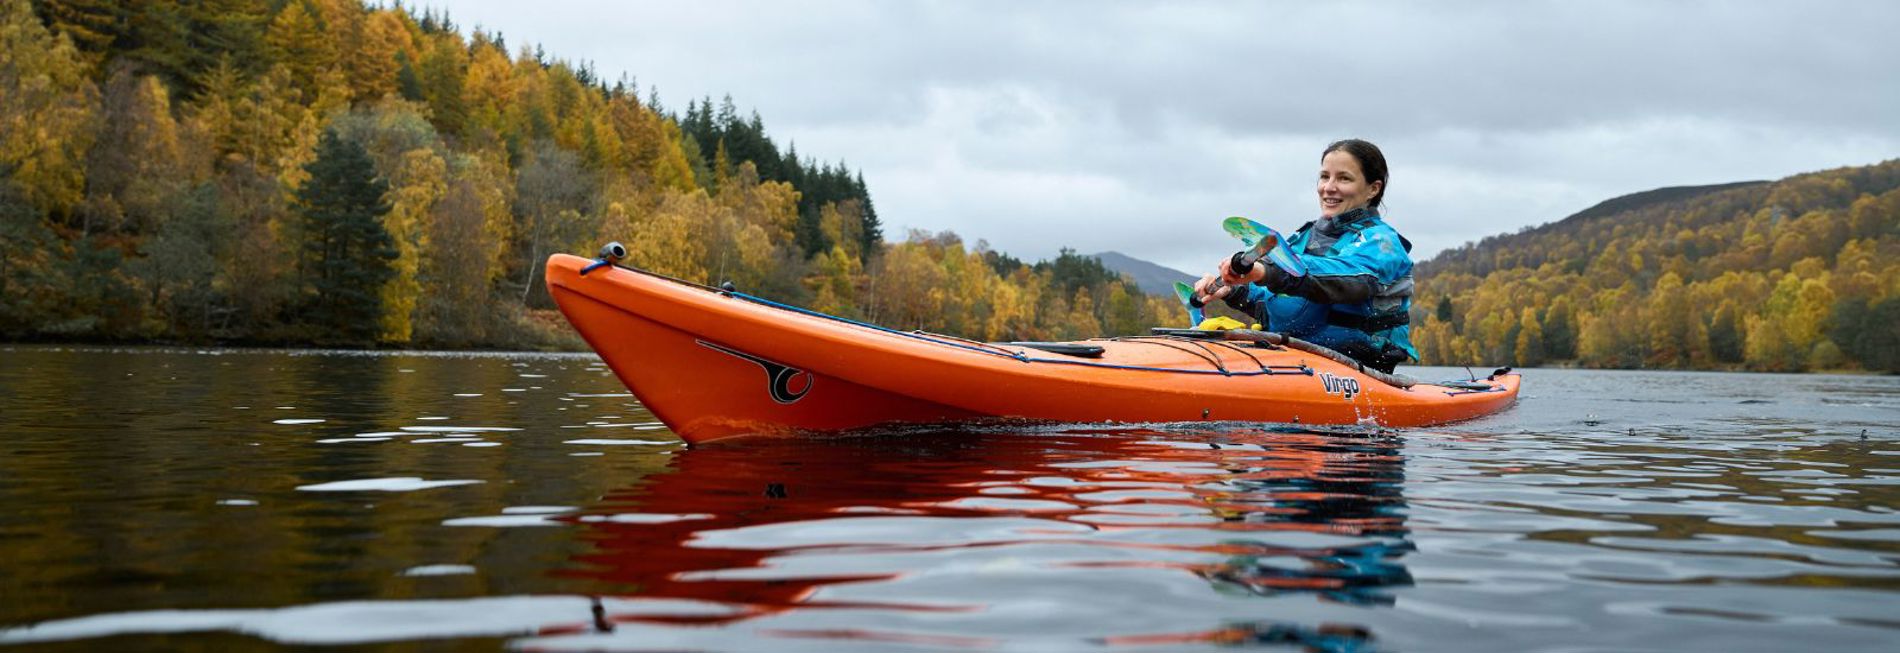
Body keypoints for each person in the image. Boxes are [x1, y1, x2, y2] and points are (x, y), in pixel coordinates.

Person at [1195, 139, 1418, 373]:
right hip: (1297, 361)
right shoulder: (1304, 238)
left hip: (1360, 369)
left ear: (1373, 189)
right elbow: (1281, 303)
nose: (1329, 187)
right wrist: (1234, 290)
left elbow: (1345, 280)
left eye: (1344, 178)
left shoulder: (1382, 242)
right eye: (1324, 176)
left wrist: (1268, 270)